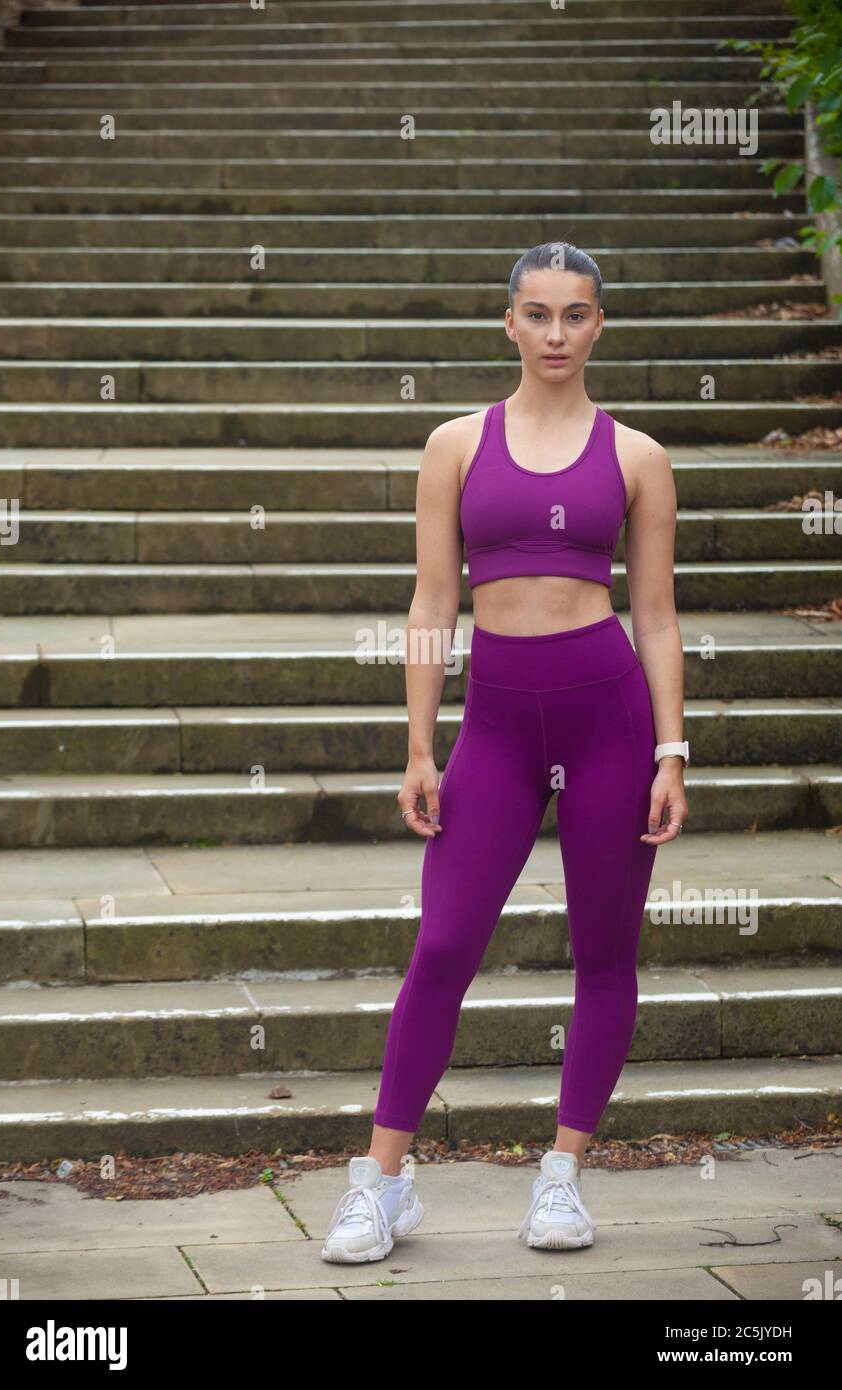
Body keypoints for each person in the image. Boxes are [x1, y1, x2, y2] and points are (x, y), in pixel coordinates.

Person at [321, 241, 689, 1263]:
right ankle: (382, 1184)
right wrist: (416, 743)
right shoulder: (452, 444)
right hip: (492, 726)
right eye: (537, 313)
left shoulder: (636, 457)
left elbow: (654, 615)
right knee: (441, 946)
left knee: (604, 954)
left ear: (598, 325)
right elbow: (432, 602)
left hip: (607, 720)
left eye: (574, 314)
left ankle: (561, 1177)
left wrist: (670, 750)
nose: (555, 333)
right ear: (508, 323)